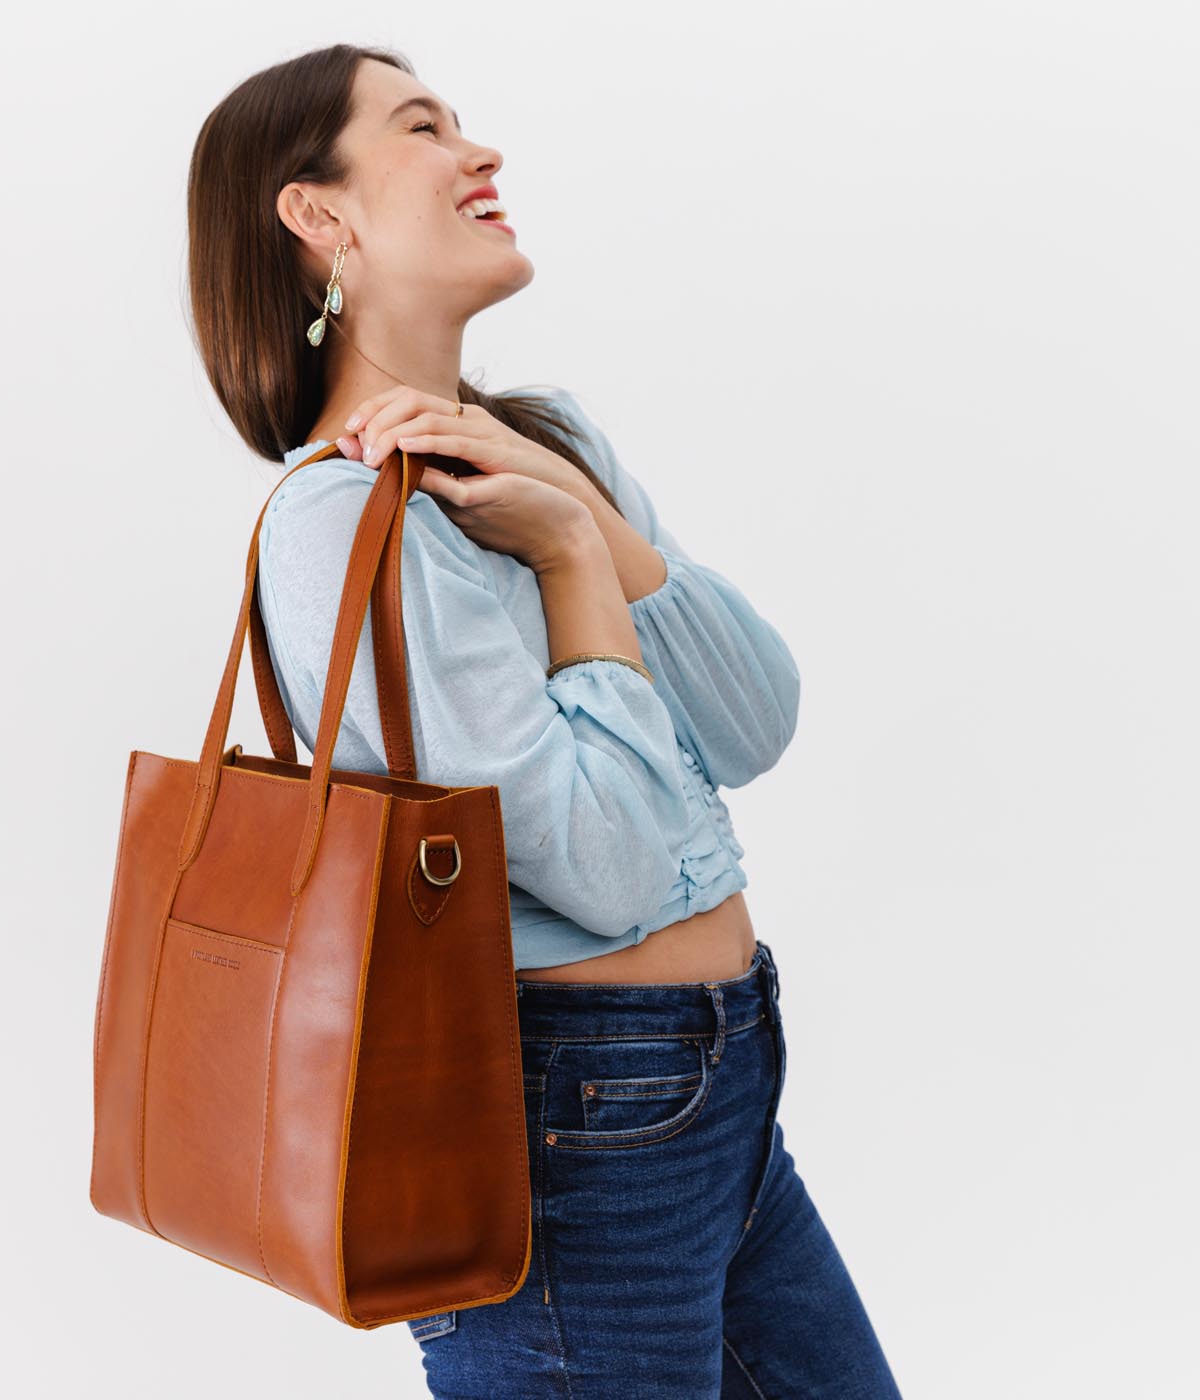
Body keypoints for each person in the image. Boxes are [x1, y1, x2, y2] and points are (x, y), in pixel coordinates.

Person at [186, 41, 902, 1399]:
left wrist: (572, 503)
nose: (481, 151)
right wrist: (572, 557)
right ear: (316, 213)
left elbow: (757, 717)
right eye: (421, 127)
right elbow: (612, 867)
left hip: (727, 1087)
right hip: (571, 1125)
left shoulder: (548, 436)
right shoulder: (341, 524)